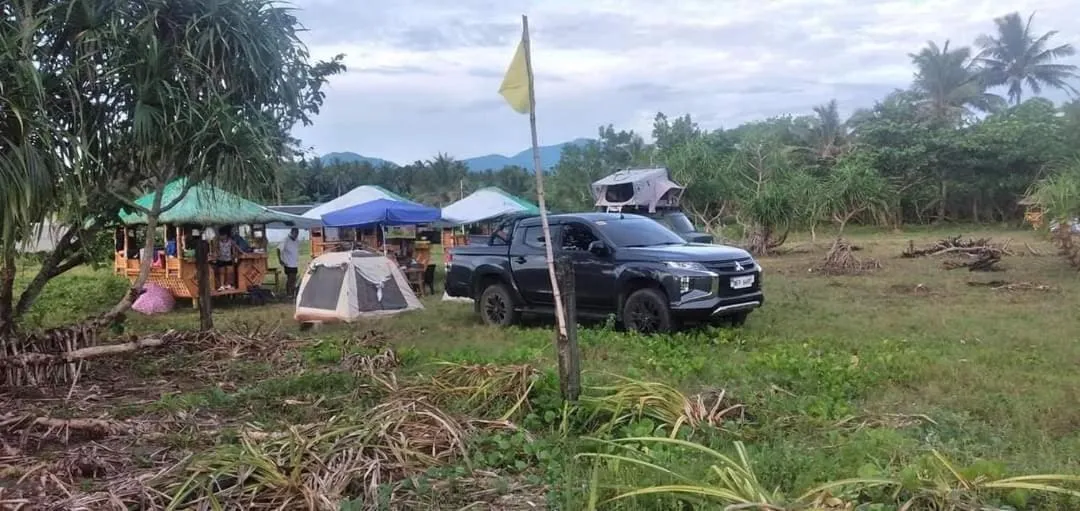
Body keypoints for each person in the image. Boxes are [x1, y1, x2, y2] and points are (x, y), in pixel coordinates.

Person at [277, 228, 300, 297]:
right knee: (290, 277)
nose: (296, 235)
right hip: (288, 263)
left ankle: (292, 292)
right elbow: (278, 249)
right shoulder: (285, 240)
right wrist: (280, 259)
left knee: (294, 278)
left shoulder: (297, 241)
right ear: (291, 233)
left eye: (297, 233)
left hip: (294, 263)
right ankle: (289, 293)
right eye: (295, 233)